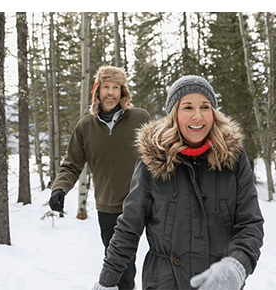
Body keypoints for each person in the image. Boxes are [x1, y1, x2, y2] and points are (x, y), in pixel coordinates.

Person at [92, 75, 264, 290]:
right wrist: (107, 281)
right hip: (164, 282)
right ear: (174, 113)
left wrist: (237, 265)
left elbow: (250, 224)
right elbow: (129, 228)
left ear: (214, 113)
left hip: (218, 283)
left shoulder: (233, 160)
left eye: (205, 107)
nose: (198, 116)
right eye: (188, 107)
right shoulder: (152, 162)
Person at [49, 65, 151, 290]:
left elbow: (159, 154)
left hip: (145, 202)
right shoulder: (85, 126)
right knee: (119, 263)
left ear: (123, 92)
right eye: (106, 87)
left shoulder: (141, 118)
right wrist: (60, 188)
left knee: (161, 256)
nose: (111, 93)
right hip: (110, 207)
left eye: (116, 87)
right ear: (97, 91)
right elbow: (72, 164)